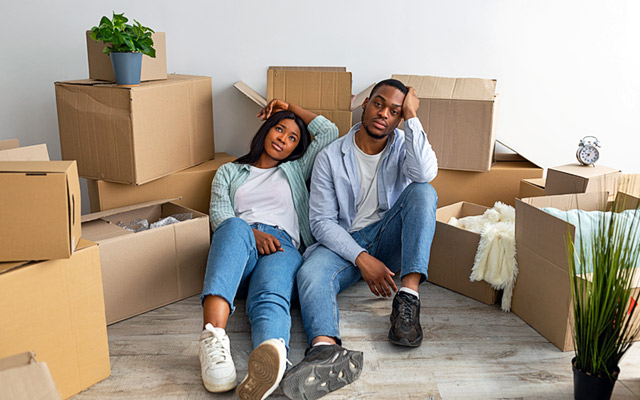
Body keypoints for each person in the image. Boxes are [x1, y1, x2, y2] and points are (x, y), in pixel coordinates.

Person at [280, 79, 438, 400]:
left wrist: (412, 117)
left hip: (389, 238)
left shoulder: (405, 145)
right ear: (365, 104)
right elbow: (322, 223)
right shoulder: (330, 156)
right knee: (309, 273)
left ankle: (407, 299)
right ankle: (326, 351)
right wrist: (361, 258)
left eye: (394, 111)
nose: (383, 114)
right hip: (345, 244)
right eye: (379, 104)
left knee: (423, 191)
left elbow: (424, 174)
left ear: (399, 118)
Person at [198, 99, 339, 400]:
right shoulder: (229, 171)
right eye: (279, 129)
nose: (283, 139)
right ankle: (213, 340)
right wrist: (253, 233)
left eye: (292, 138)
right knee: (234, 225)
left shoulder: (295, 170)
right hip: (241, 245)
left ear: (295, 149)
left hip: (283, 245)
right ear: (266, 130)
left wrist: (290, 108)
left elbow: (328, 131)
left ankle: (273, 363)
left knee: (272, 295)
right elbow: (220, 216)